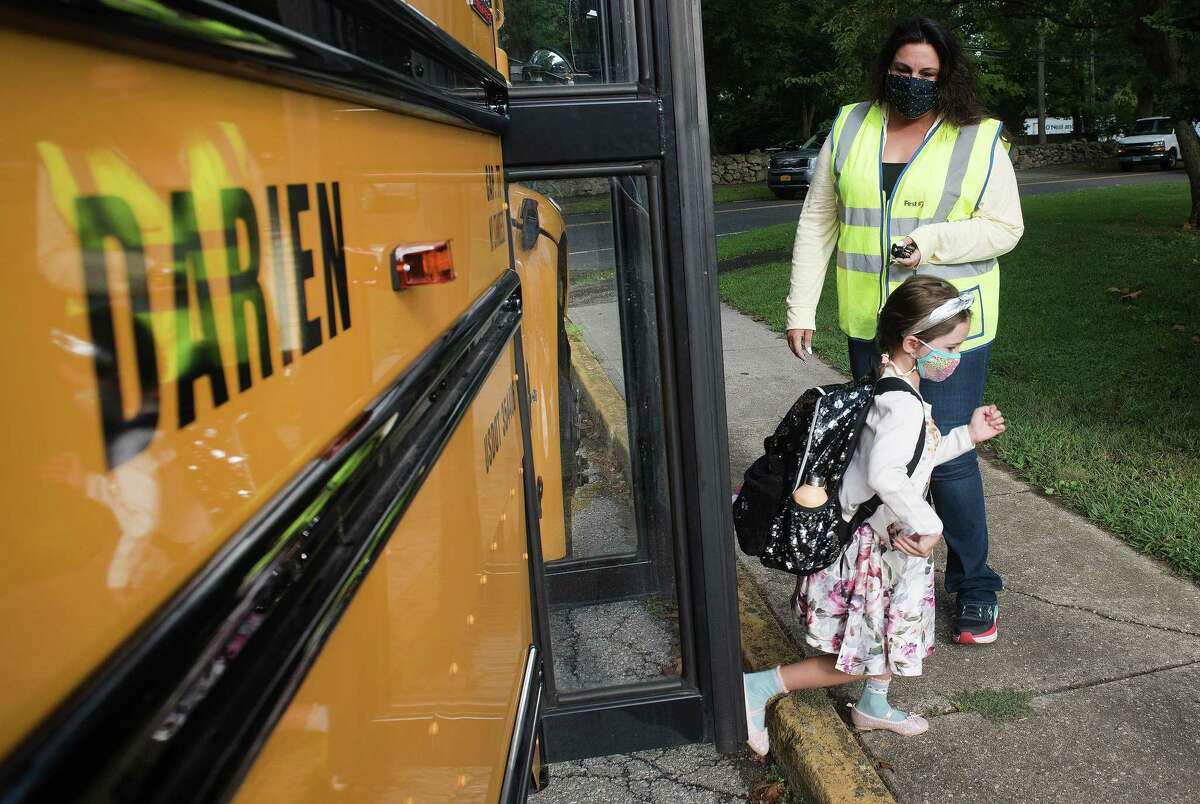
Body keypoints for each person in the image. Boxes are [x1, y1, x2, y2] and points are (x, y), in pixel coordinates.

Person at [785, 15, 1023, 646]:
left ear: (946, 78)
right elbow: (818, 220)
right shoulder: (851, 125)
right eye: (902, 71)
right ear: (884, 68)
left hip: (948, 332)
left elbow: (1006, 228)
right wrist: (800, 307)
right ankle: (887, 576)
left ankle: (975, 588)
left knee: (945, 459)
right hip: (874, 327)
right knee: (884, 453)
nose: (912, 83)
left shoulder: (978, 136)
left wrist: (934, 240)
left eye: (927, 75)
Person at [743, 276, 1007, 754]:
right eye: (951, 346)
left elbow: (910, 462)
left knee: (883, 637)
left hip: (885, 541)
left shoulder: (890, 381)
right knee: (859, 657)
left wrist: (966, 437)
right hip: (871, 549)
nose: (957, 356)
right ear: (913, 343)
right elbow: (886, 475)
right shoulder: (901, 404)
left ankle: (874, 708)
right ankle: (758, 687)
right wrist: (931, 525)